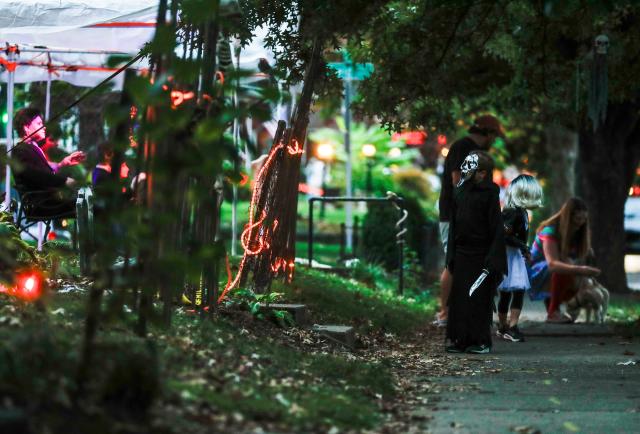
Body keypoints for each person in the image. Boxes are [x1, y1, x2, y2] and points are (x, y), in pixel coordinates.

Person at [436, 114, 505, 326]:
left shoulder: (469, 150)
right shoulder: (463, 148)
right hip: (455, 215)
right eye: (494, 136)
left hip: (465, 216)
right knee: (453, 261)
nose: (494, 141)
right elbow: (457, 179)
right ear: (488, 133)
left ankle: (458, 310)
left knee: (461, 262)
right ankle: (445, 313)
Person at [445, 151, 507, 354]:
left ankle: (480, 341)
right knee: (460, 298)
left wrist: (493, 258)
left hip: (482, 254)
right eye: (477, 171)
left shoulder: (490, 193)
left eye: (484, 172)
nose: (480, 175)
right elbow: (454, 224)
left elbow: (496, 226)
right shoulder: (460, 192)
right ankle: (460, 339)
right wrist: (451, 254)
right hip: (462, 253)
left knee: (478, 297)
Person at [528, 197, 601, 323]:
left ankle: (560, 309)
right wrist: (581, 270)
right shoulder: (550, 231)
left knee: (570, 267)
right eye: (578, 219)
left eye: (584, 219)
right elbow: (552, 264)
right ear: (568, 218)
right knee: (564, 267)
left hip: (552, 271)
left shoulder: (578, 234)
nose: (581, 223)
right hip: (533, 273)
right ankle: (553, 313)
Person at [11, 107, 85, 218]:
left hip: (46, 202)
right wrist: (65, 181)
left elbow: (40, 171)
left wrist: (61, 164)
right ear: (26, 128)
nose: (44, 127)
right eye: (39, 124)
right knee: (90, 207)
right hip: (42, 205)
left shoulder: (29, 148)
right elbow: (36, 174)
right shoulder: (20, 151)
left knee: (88, 204)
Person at [496, 175, 543, 342]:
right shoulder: (511, 212)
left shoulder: (521, 212)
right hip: (508, 255)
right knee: (507, 292)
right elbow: (504, 235)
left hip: (516, 255)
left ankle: (512, 325)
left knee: (517, 291)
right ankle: (503, 326)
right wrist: (523, 246)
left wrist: (524, 248)